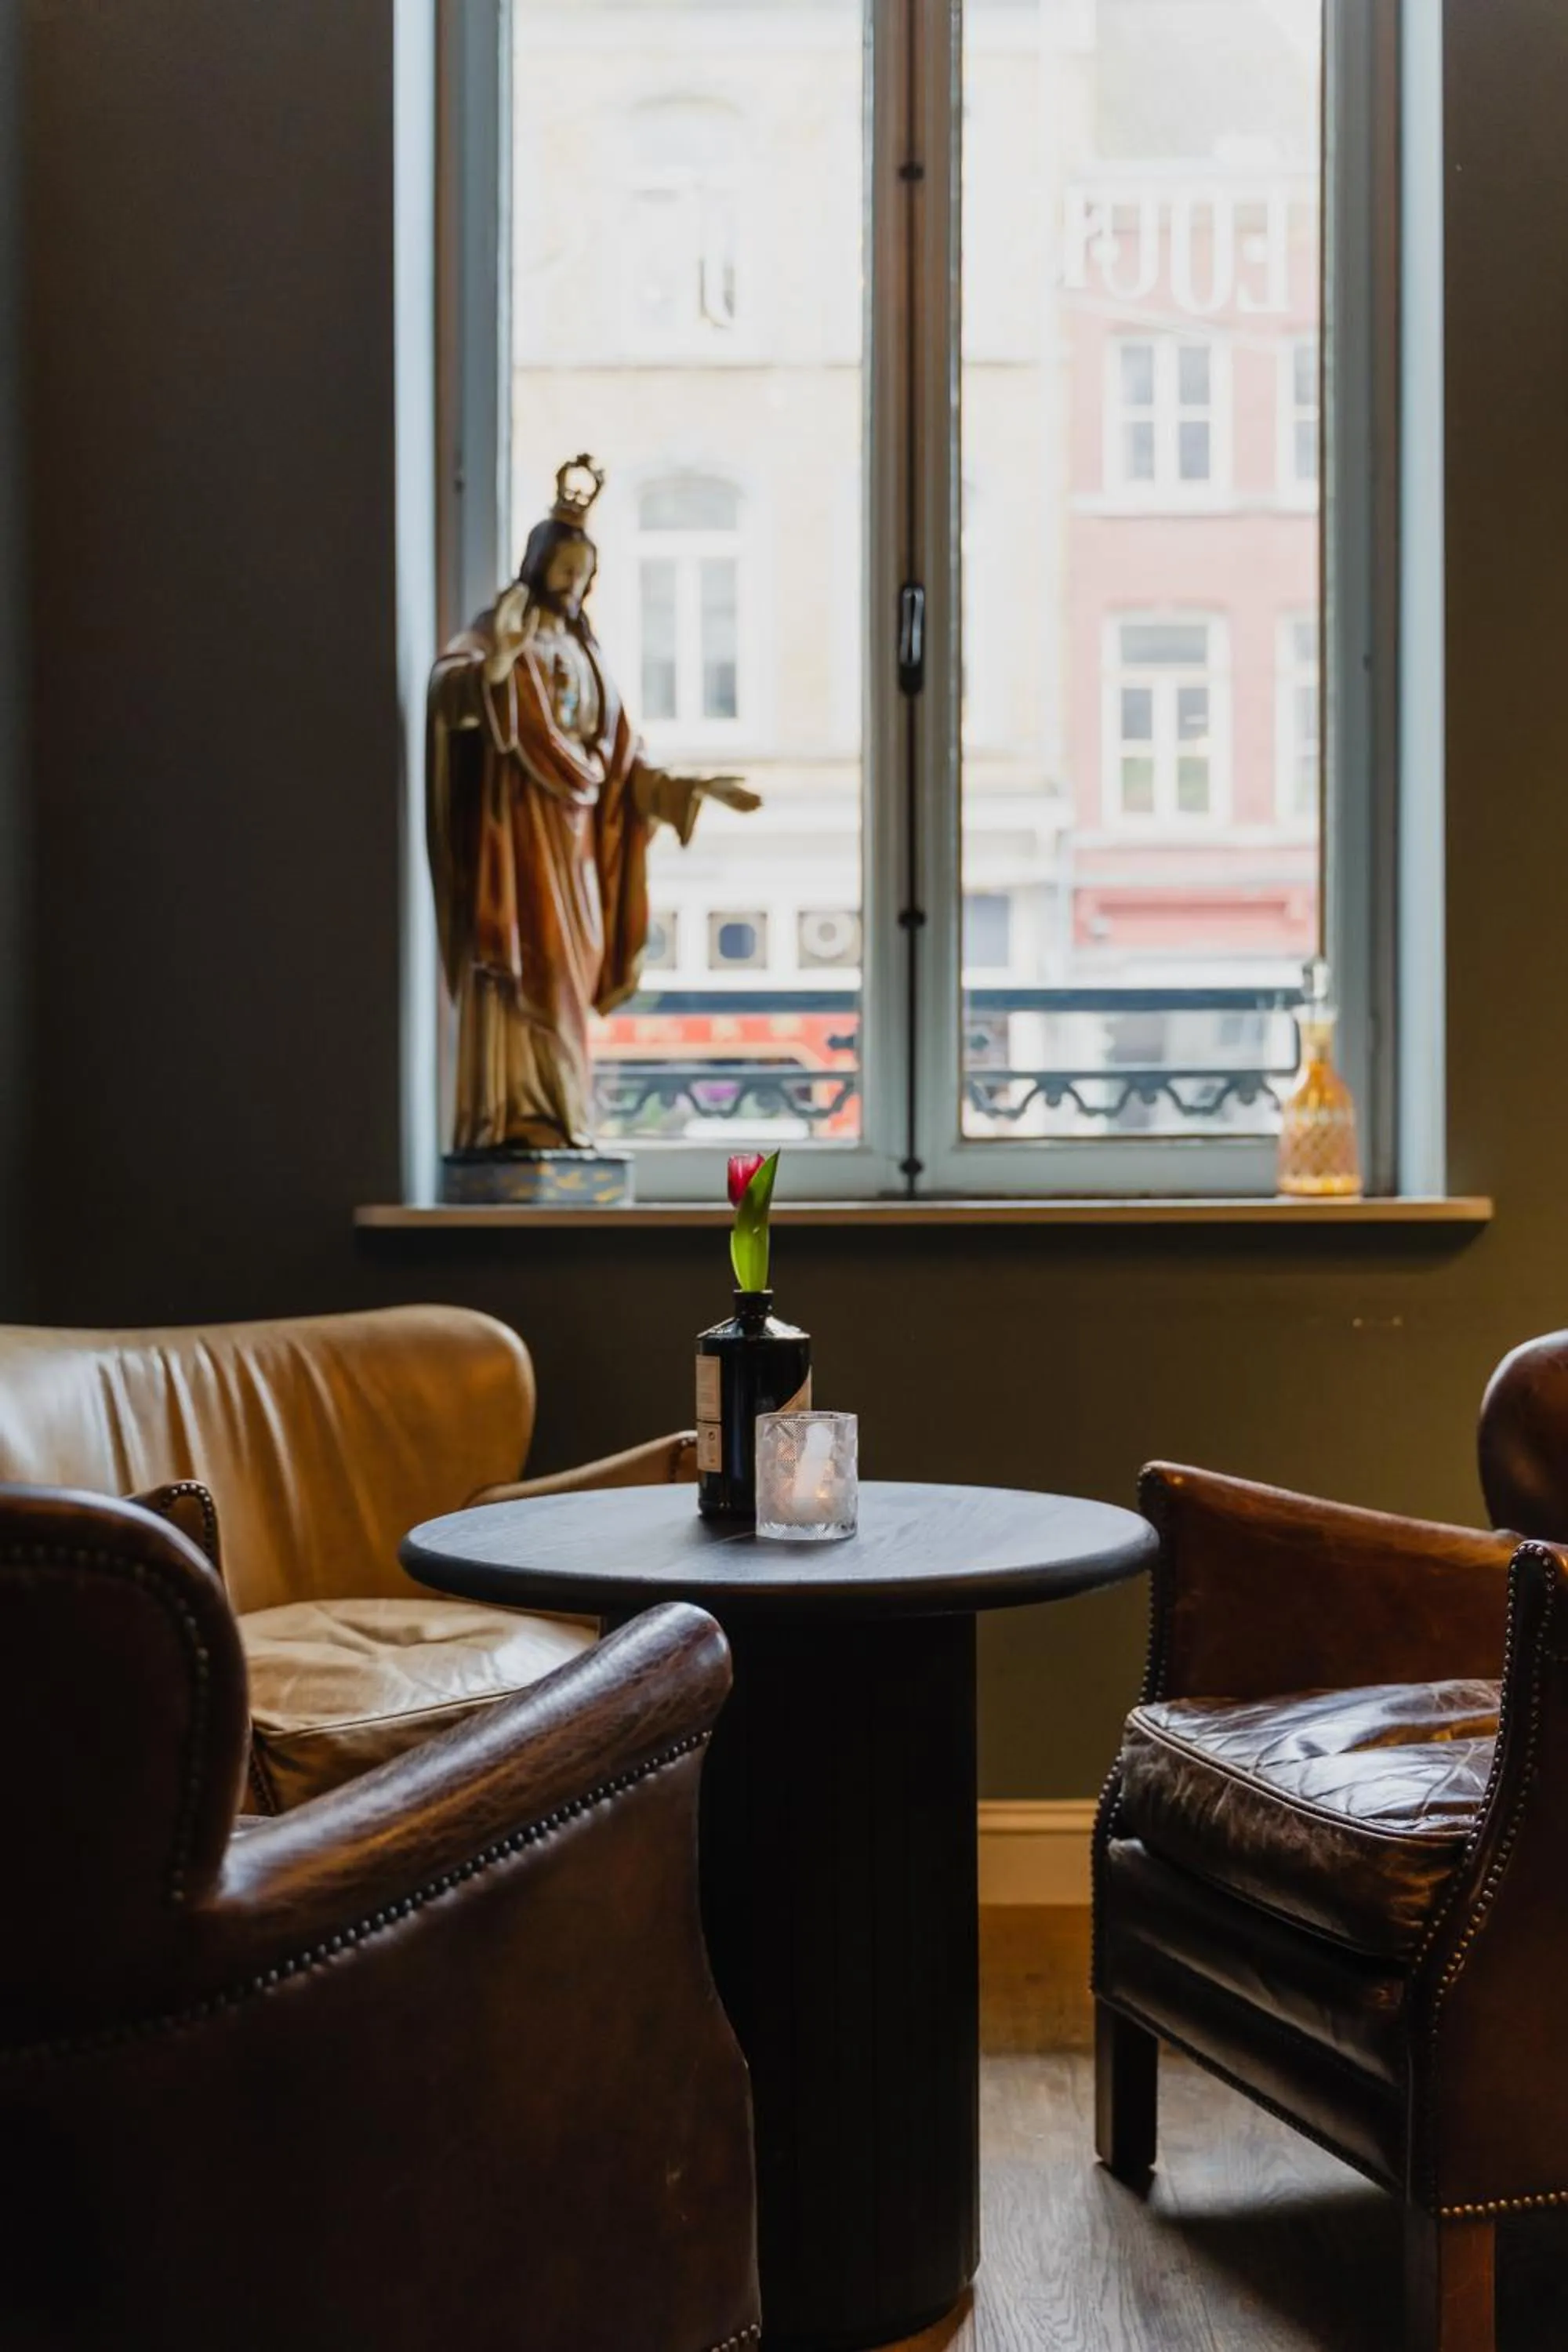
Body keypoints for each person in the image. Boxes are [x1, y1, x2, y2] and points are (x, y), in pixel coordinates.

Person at [426, 455, 759, 1153]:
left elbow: (619, 761)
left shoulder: (590, 654)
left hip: (577, 840)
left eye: (584, 577)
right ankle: (514, 1121)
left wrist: (682, 788)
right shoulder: (504, 629)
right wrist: (496, 668)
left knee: (569, 978)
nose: (573, 587)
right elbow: (450, 689)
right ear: (540, 566)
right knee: (526, 965)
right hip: (518, 833)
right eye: (564, 572)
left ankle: (563, 1117)